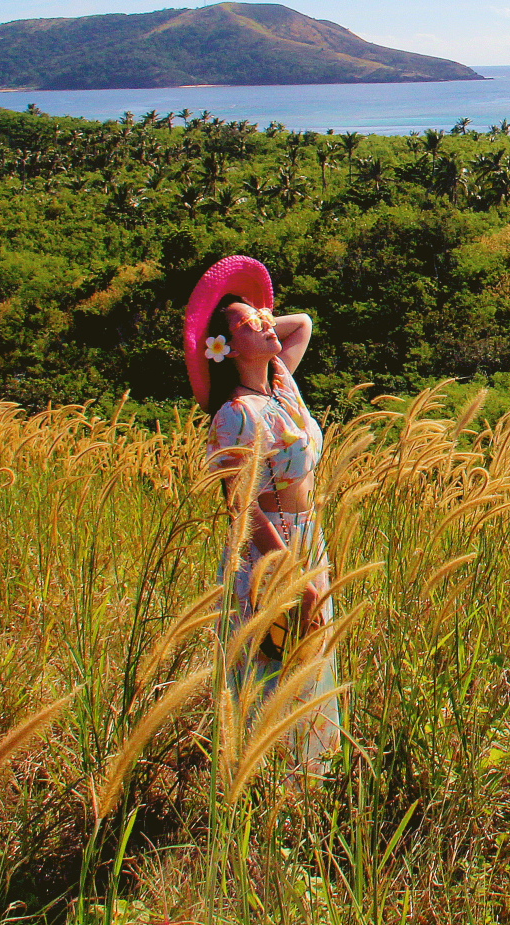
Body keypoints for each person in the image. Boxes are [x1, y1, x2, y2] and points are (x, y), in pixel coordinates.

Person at [183, 254, 339, 769]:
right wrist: (289, 576)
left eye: (262, 315)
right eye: (247, 323)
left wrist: (257, 317)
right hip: (270, 553)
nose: (267, 322)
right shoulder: (234, 415)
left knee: (311, 667)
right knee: (273, 669)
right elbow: (240, 508)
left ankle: (310, 785)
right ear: (224, 349)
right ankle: (268, 788)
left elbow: (303, 324)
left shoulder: (281, 387)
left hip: (308, 538)